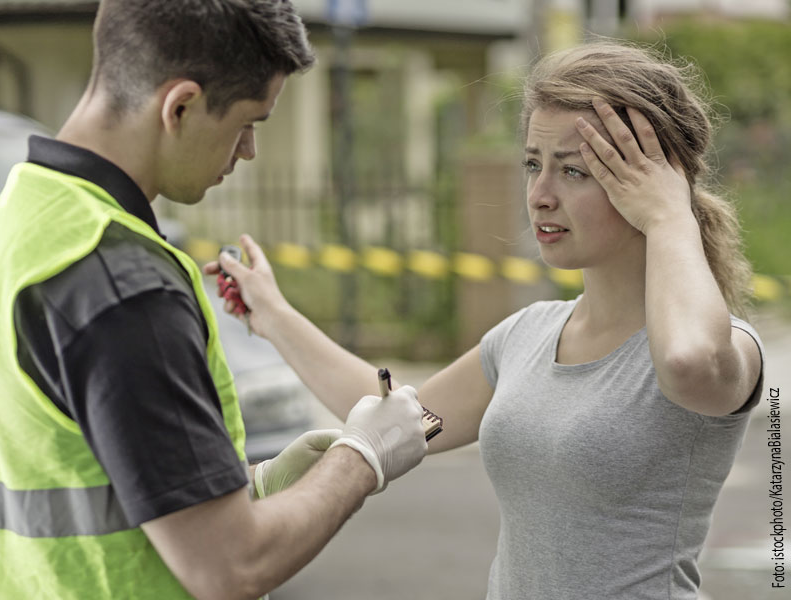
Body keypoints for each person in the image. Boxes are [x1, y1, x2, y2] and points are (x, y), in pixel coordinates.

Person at [208, 41, 765, 599]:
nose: (540, 195)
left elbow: (687, 361)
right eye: (532, 164)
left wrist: (670, 213)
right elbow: (394, 415)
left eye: (574, 170)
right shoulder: (527, 333)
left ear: (652, 181)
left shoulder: (726, 348)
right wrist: (274, 315)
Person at [0, 1, 428, 599]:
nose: (248, 151)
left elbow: (82, 470)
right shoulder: (123, 283)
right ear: (181, 106)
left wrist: (260, 483)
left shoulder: (16, 220)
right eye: (249, 122)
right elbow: (229, 566)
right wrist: (362, 456)